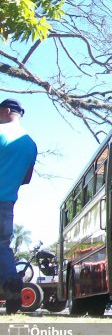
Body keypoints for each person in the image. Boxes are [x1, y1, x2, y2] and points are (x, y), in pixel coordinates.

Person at [0, 99, 37, 314]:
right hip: (7, 203)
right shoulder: (30, 144)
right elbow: (26, 178)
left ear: (5, 111)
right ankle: (12, 281)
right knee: (3, 247)